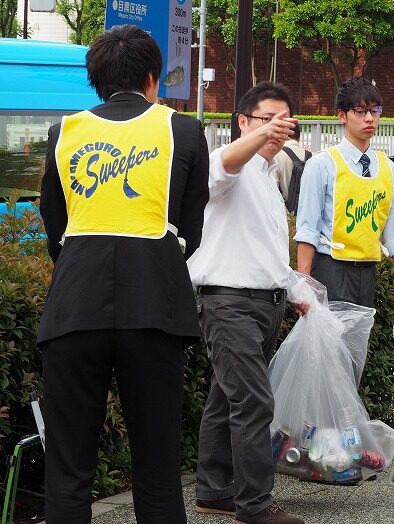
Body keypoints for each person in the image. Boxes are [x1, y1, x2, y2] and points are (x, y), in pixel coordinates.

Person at [38, 24, 209, 524]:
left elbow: (55, 227)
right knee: (156, 469)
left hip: (73, 307)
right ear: (153, 77)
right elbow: (191, 229)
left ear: (96, 80)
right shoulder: (182, 130)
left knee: (68, 470)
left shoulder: (63, 133)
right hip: (155, 307)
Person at [187, 81, 304, 524]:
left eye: (283, 122)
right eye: (265, 120)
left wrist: (293, 291)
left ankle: (214, 490)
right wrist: (259, 136)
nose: (276, 130)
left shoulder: (268, 178)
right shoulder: (226, 163)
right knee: (254, 402)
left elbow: (264, 248)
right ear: (242, 122)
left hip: (264, 304)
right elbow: (225, 163)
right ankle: (254, 506)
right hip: (229, 304)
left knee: (226, 399)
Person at [294, 76, 394, 323]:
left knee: (355, 354)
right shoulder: (322, 165)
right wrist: (303, 283)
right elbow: (307, 230)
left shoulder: (388, 169)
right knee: (330, 354)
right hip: (330, 269)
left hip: (367, 272)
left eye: (375, 110)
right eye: (360, 111)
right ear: (342, 115)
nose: (369, 118)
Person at [273, 123, 311, 213]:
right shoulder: (311, 156)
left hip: (286, 215)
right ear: (299, 138)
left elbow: (273, 191)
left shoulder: (276, 156)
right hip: (306, 214)